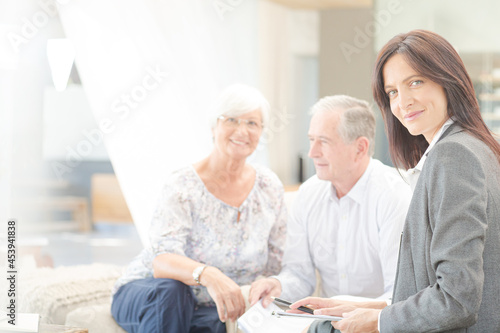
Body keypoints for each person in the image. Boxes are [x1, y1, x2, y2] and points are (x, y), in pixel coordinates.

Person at [293, 29, 500, 333]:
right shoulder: (477, 146)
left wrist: (377, 322)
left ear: (448, 80)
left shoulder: (454, 156)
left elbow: (457, 300)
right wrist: (362, 307)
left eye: (415, 82)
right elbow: (435, 287)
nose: (403, 102)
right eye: (392, 92)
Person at [111, 84, 287, 333]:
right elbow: (162, 261)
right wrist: (209, 275)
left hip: (208, 307)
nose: (242, 130)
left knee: (218, 323)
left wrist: (266, 286)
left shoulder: (269, 187)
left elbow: (276, 263)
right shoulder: (182, 185)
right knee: (172, 293)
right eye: (232, 120)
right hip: (151, 291)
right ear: (214, 126)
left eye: (252, 123)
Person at [248, 95, 412, 308]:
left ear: (360, 148)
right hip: (325, 323)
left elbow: (400, 296)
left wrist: (348, 311)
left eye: (323, 141)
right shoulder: (307, 194)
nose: (312, 152)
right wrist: (278, 285)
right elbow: (299, 274)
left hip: (379, 324)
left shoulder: (395, 197)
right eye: (311, 140)